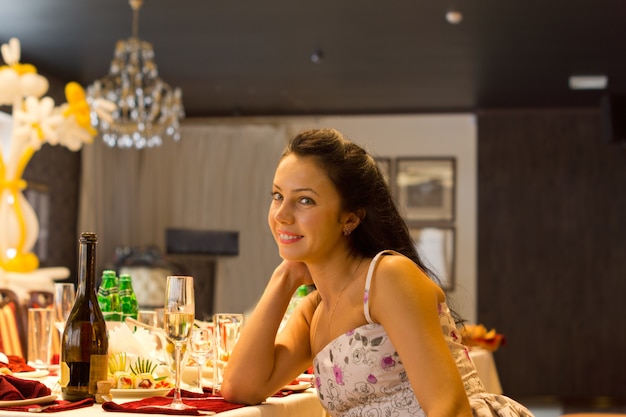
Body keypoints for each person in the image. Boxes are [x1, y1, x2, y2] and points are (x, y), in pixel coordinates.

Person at [221, 128, 534, 417]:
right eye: (277, 196)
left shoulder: (388, 277)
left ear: (351, 218)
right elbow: (241, 388)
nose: (281, 215)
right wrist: (285, 277)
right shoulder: (314, 312)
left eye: (305, 200)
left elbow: (449, 410)